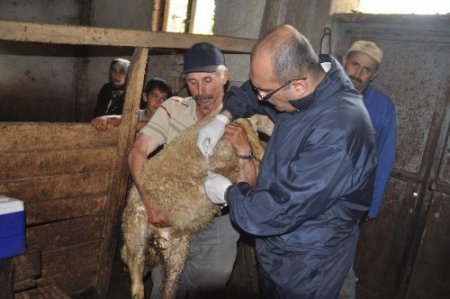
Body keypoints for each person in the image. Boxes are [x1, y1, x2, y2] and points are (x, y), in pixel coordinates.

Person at [198, 24, 378, 298]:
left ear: (299, 85)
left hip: (308, 260)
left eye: (265, 93)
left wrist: (228, 193)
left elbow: (280, 208)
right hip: (280, 245)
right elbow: (251, 91)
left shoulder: (340, 131)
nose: (260, 98)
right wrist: (224, 116)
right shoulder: (307, 81)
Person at [127, 42, 241, 299]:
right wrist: (149, 201)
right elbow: (138, 151)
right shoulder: (174, 107)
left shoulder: (241, 117)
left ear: (225, 76)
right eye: (193, 81)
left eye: (208, 80)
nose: (201, 91)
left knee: (208, 288)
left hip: (218, 222)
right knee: (164, 287)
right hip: (170, 217)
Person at [338, 40, 397, 299]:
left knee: (339, 269)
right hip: (307, 192)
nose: (358, 74)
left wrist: (371, 206)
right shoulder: (320, 93)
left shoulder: (382, 108)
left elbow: (383, 160)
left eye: (366, 70)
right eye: (355, 65)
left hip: (348, 204)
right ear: (343, 61)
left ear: (374, 75)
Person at [91, 58, 130, 131]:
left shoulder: (132, 93)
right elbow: (97, 113)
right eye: (114, 70)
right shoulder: (106, 88)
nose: (117, 75)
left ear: (129, 74)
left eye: (122, 71)